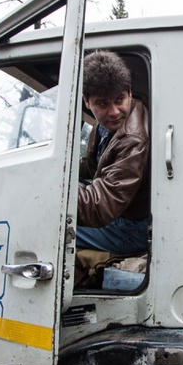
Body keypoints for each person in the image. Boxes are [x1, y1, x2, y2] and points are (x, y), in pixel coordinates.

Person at [76, 50, 150, 256]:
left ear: (129, 93)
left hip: (133, 228)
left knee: (56, 225)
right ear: (87, 102)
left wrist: (53, 190)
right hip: (119, 215)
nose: (114, 111)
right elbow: (91, 165)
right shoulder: (106, 125)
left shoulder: (133, 139)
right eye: (102, 103)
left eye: (119, 99)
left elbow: (100, 207)